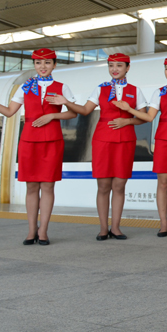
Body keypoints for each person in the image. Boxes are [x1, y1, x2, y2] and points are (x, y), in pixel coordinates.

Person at [0, 48, 76, 245]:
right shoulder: (25, 87)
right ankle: (31, 231)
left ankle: (43, 230)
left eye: (46, 63)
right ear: (34, 65)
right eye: (38, 63)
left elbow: (73, 113)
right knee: (31, 187)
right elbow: (10, 112)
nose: (42, 67)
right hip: (29, 141)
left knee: (48, 186)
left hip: (52, 141)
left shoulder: (62, 87)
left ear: (54, 65)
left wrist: (53, 115)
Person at [48, 53, 142, 241]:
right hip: (103, 140)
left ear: (127, 68)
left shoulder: (135, 90)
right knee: (103, 185)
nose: (114, 69)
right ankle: (102, 228)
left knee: (120, 185)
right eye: (111, 65)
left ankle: (116, 228)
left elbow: (143, 117)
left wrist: (127, 121)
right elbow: (84, 110)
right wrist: (66, 102)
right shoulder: (100, 89)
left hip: (125, 140)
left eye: (119, 66)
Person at [115, 56, 167, 237]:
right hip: (163, 141)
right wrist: (130, 110)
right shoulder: (158, 92)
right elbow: (149, 117)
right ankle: (163, 224)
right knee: (163, 183)